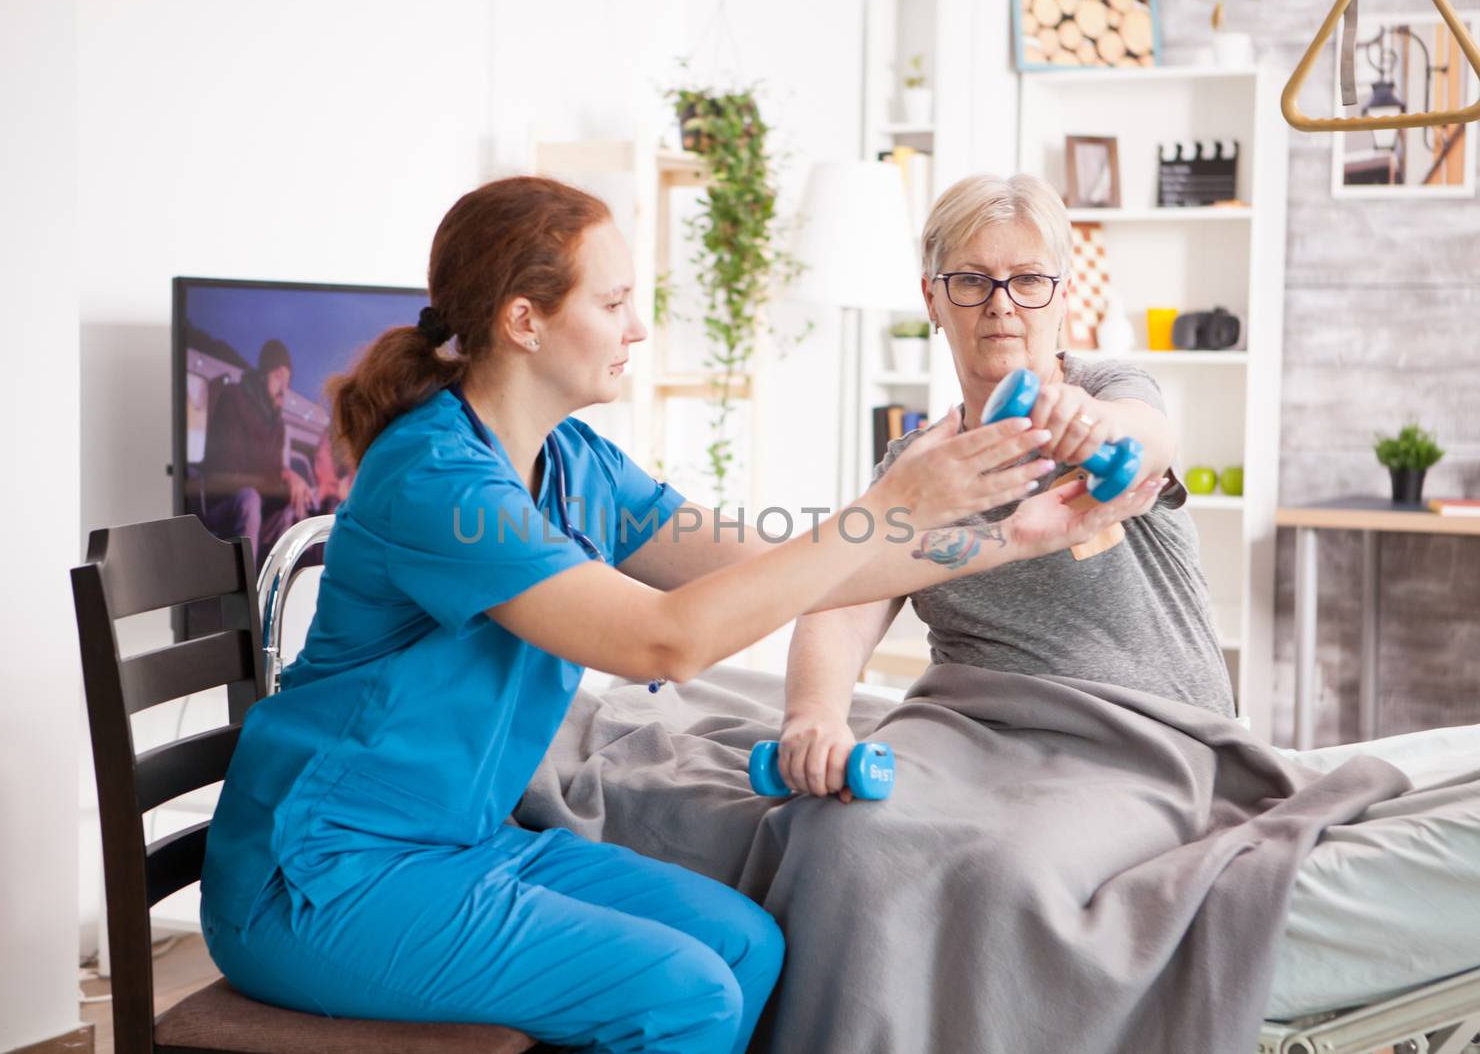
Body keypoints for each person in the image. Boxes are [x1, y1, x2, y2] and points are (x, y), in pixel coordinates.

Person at [198, 175, 1158, 1052]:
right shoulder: (436, 476)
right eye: (614, 302)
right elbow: (666, 638)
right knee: (684, 994)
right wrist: (892, 504)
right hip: (321, 876)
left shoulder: (577, 463)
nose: (638, 326)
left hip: (460, 842)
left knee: (747, 947)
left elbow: (777, 564)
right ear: (526, 319)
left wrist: (1018, 536)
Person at [775, 172, 1232, 801]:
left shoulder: (1109, 394)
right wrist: (814, 716)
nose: (1002, 303)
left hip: (1151, 745)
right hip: (980, 743)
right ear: (931, 301)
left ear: (1062, 297)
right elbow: (840, 602)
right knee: (844, 828)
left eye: (1029, 279)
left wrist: (1089, 427)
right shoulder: (914, 471)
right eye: (969, 280)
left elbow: (1148, 435)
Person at [200, 337, 317, 566]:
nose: (284, 387)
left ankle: (281, 585)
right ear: (263, 374)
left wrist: (291, 487)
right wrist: (285, 474)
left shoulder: (278, 424)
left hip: (259, 510)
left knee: (290, 512)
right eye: (278, 376)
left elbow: (270, 472)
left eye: (288, 379)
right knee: (249, 498)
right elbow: (230, 466)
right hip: (224, 504)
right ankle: (248, 593)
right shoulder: (233, 398)